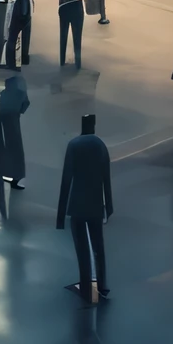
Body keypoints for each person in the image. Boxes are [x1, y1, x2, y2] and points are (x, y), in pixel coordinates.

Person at [57, 113, 113, 300]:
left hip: (77, 204)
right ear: (94, 125)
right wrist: (109, 207)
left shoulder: (74, 145)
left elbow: (67, 179)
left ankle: (86, 283)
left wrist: (60, 214)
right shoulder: (100, 145)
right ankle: (103, 285)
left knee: (82, 248)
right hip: (96, 203)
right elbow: (107, 177)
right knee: (99, 246)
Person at [0, 71, 28, 191]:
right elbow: (25, 104)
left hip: (3, 119)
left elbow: (0, 108)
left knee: (2, 145)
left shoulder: (5, 93)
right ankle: (15, 177)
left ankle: (2, 169)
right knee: (16, 148)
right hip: (13, 119)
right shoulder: (20, 90)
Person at [5, 0, 33, 69]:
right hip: (24, 23)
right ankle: (20, 62)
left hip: (18, 24)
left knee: (11, 42)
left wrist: (17, 22)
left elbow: (24, 12)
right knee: (23, 43)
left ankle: (11, 64)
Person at [58, 0, 85, 69]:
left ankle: (73, 62)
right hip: (70, 12)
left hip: (67, 12)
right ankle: (74, 62)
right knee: (72, 38)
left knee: (65, 37)